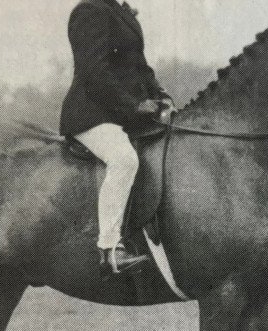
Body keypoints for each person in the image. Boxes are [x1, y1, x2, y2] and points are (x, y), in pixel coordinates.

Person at [60, 0, 175, 275]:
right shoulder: (89, 11)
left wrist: (161, 96)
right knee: (123, 160)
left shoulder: (121, 11)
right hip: (91, 113)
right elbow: (94, 73)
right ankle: (110, 248)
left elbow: (141, 68)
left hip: (122, 113)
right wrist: (135, 105)